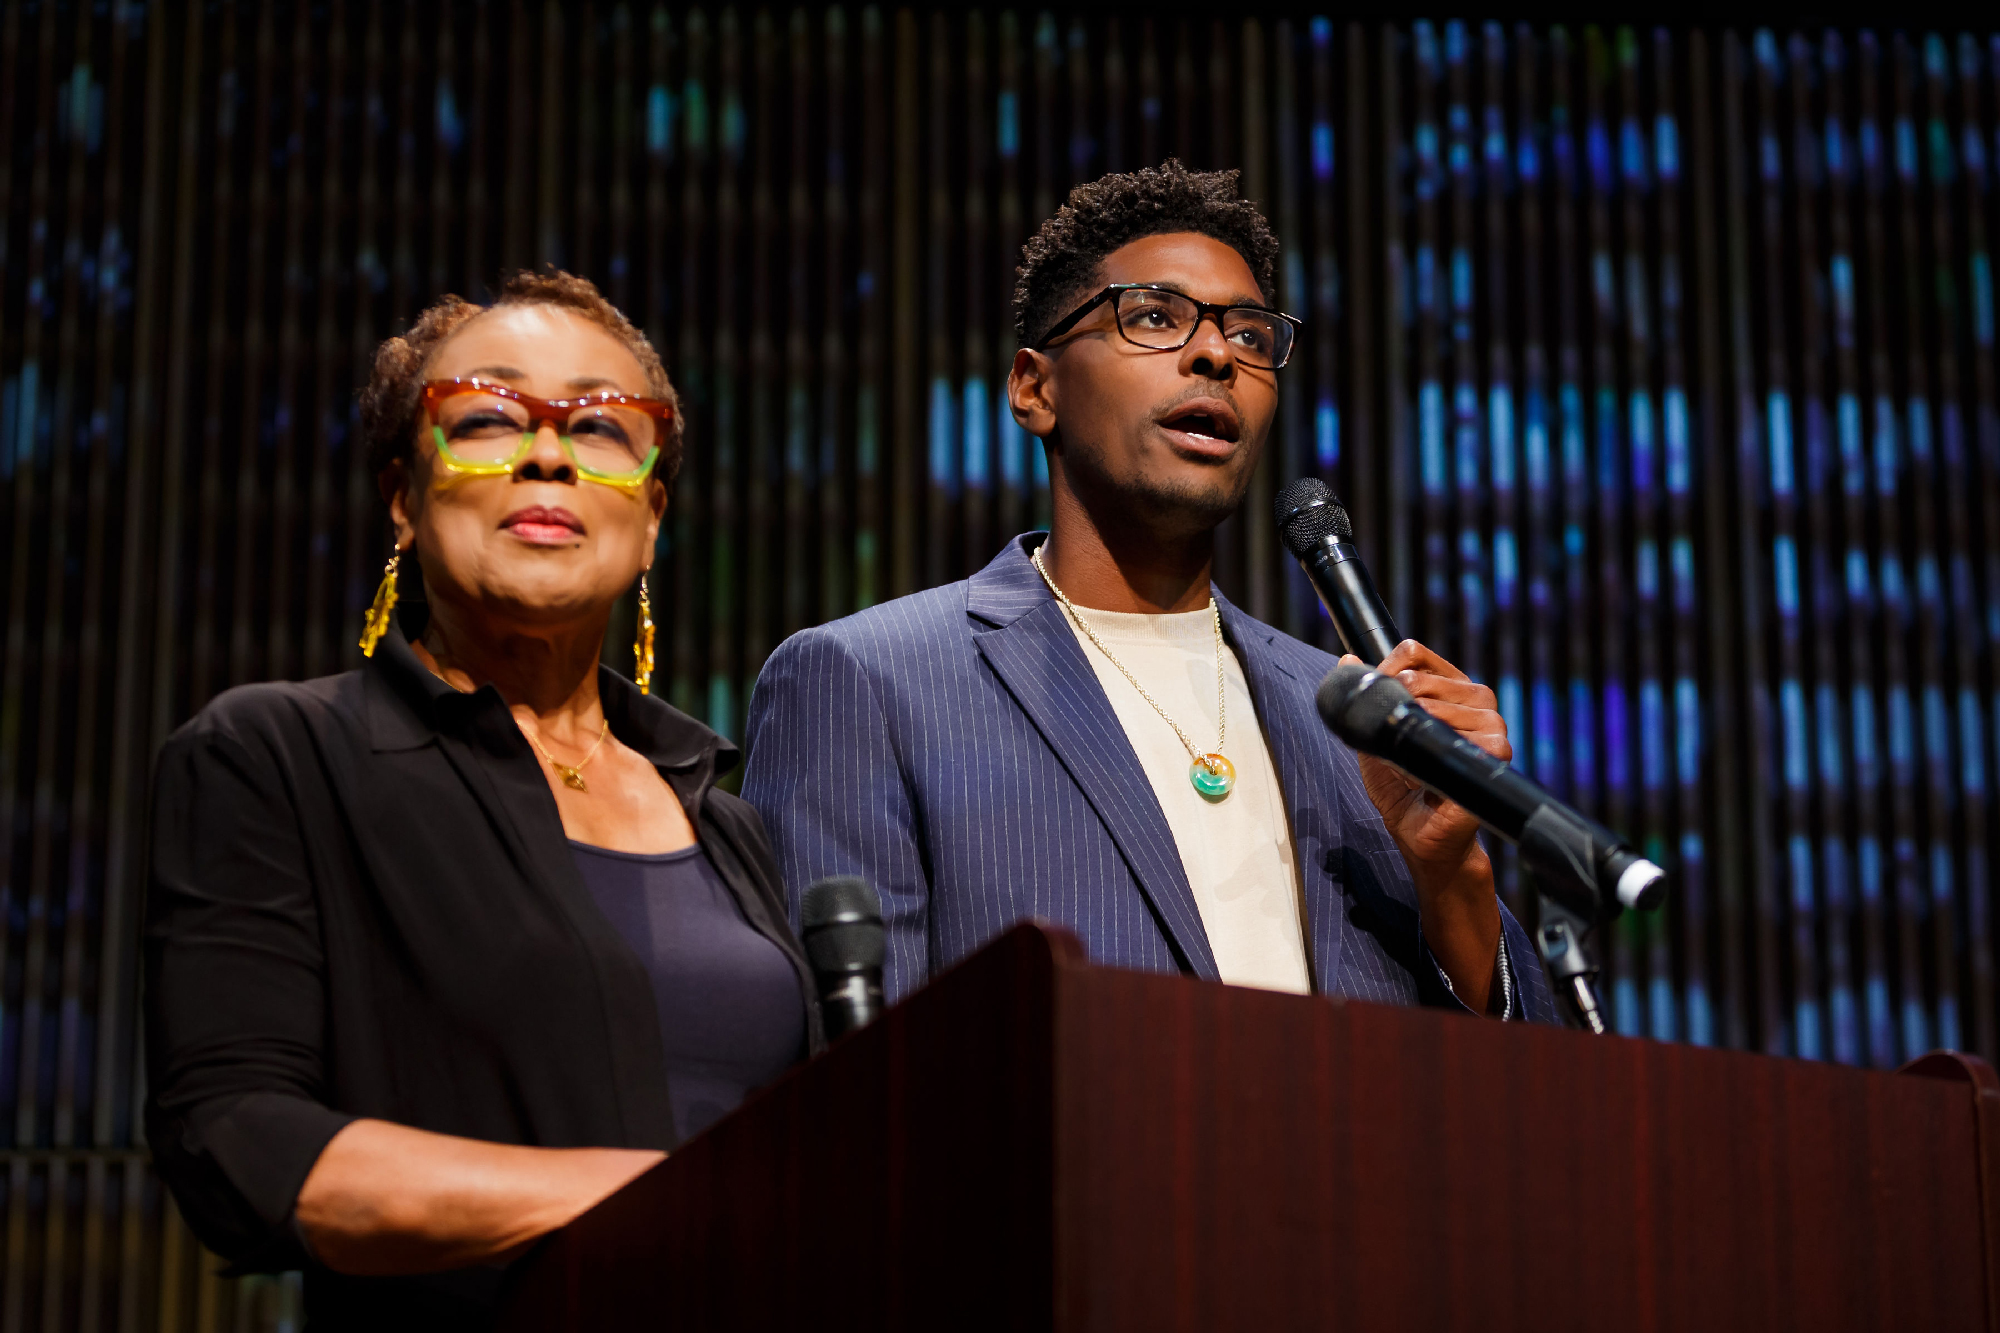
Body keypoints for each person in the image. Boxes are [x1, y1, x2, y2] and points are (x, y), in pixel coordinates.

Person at [145, 270, 819, 1330]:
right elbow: (240, 1137)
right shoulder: (276, 755)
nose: (546, 451)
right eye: (490, 416)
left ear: (649, 521)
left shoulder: (727, 824)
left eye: (600, 428)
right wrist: (667, 1200)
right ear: (404, 499)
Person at [744, 162, 1555, 1021]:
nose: (1215, 353)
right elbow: (856, 1086)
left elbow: (1528, 1089)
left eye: (1250, 335)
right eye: (1155, 316)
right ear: (1034, 387)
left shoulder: (1350, 717)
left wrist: (1451, 874)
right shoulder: (869, 683)